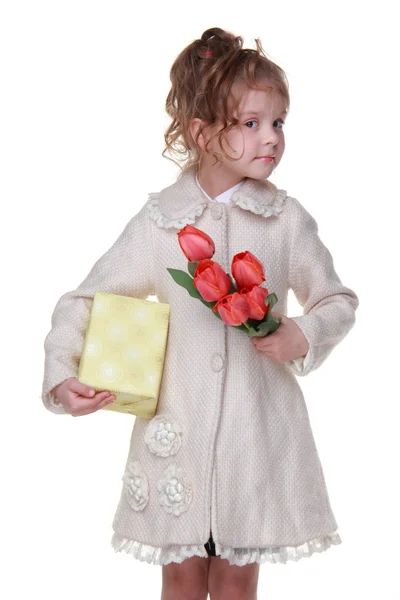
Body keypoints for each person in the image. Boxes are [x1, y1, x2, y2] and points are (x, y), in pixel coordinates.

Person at [41, 27, 359, 600]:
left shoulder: (284, 221)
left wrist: (302, 334)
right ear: (203, 132)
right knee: (182, 581)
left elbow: (337, 300)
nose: (272, 139)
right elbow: (85, 299)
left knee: (236, 584)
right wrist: (63, 373)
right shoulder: (161, 222)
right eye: (251, 123)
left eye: (279, 122)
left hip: (256, 438)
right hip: (177, 436)